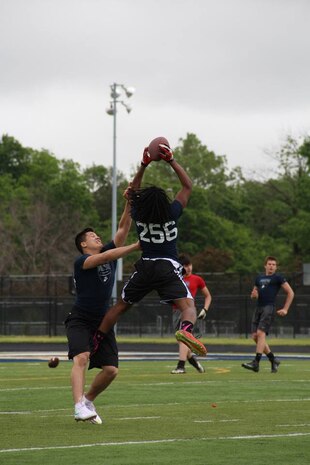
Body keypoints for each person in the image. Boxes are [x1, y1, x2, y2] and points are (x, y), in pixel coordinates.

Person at [92, 142, 207, 358]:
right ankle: (186, 330)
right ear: (164, 202)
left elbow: (132, 191)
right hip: (167, 267)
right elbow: (187, 186)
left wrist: (143, 165)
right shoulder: (172, 212)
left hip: (145, 267)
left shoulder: (138, 213)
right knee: (188, 306)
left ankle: (96, 339)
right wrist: (171, 160)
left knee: (120, 306)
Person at [65, 167, 146, 423]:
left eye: (96, 235)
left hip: (103, 321)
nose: (97, 236)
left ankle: (88, 400)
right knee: (82, 357)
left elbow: (122, 228)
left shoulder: (106, 254)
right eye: (91, 236)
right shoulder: (82, 261)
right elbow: (111, 254)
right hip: (80, 318)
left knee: (111, 370)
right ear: (83, 245)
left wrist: (128, 203)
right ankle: (78, 405)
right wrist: (136, 246)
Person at [242, 256, 294, 373]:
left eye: (274, 265)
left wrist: (285, 309)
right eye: (269, 264)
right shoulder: (259, 278)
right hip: (258, 308)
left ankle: (256, 362)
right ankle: (273, 359)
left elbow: (291, 292)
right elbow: (253, 294)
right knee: (255, 337)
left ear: (276, 267)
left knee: (261, 333)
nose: (271, 266)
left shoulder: (278, 278)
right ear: (265, 265)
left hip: (268, 308)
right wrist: (253, 296)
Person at [171, 254, 212, 374]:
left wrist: (205, 309)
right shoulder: (176, 278)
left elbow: (208, 296)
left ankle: (181, 366)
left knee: (184, 336)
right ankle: (195, 364)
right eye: (185, 265)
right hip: (175, 311)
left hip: (188, 311)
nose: (188, 268)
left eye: (189, 265)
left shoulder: (197, 279)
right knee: (183, 342)